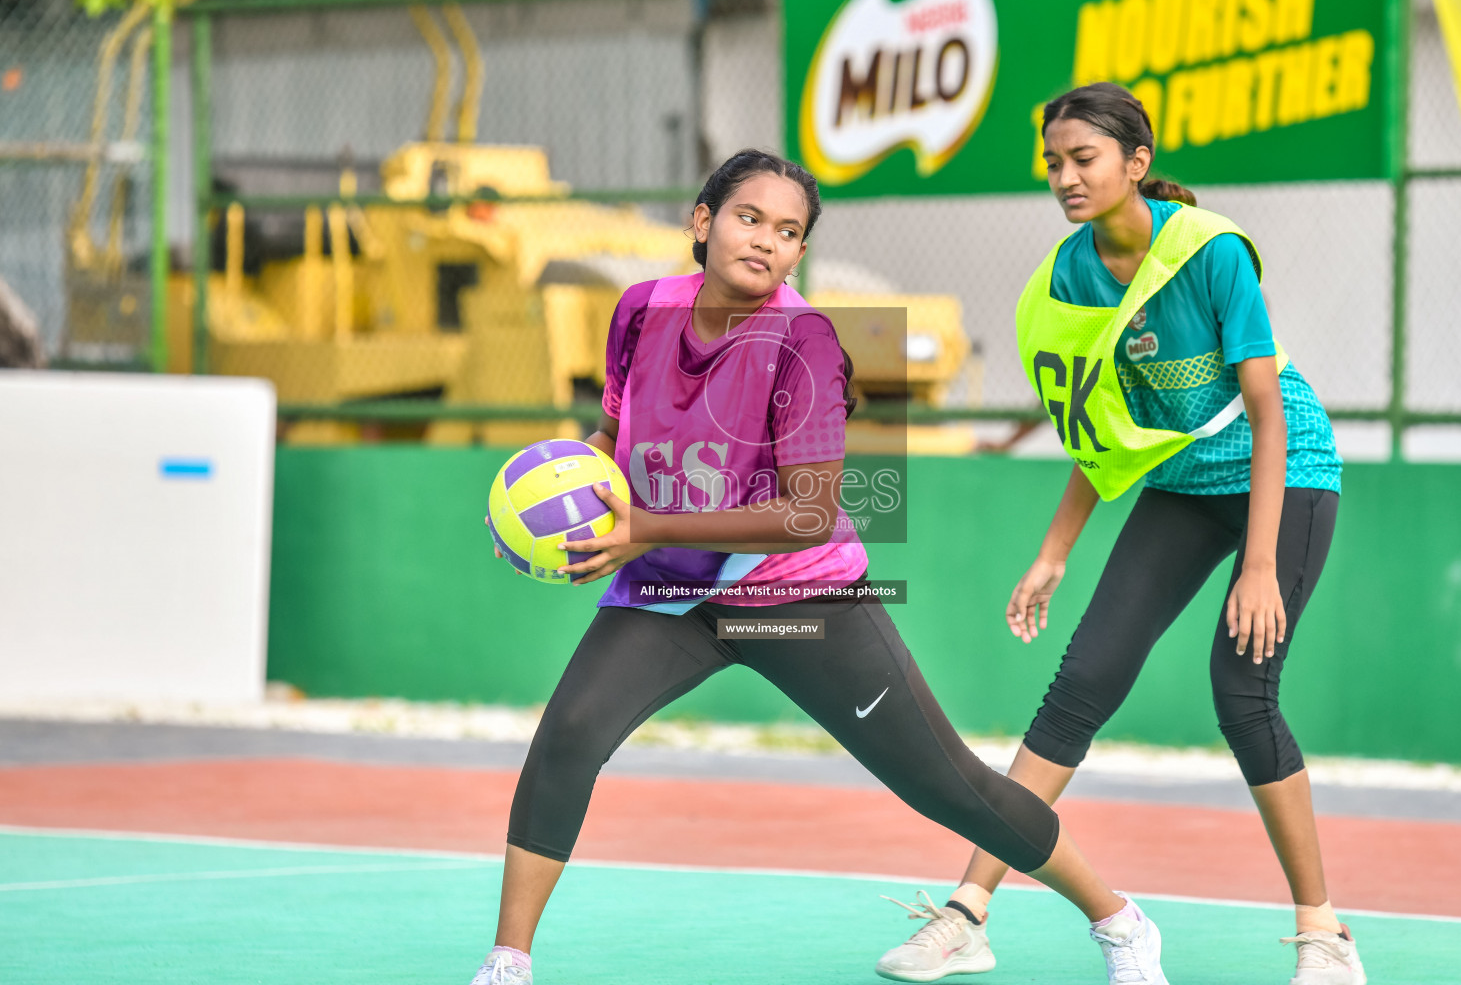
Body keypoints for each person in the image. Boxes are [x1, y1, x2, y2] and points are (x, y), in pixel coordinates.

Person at [469, 148, 1171, 985]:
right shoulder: (639, 310)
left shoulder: (804, 344)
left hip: (798, 594)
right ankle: (508, 962)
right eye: (749, 218)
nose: (767, 240)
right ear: (702, 222)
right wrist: (568, 504)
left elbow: (804, 513)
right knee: (568, 736)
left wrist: (640, 529)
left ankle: (1119, 921)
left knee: (947, 786)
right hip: (669, 586)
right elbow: (614, 434)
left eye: (789, 231)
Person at [873, 84, 1362, 985]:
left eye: (1083, 159)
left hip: (1283, 476)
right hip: (1178, 485)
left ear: (1136, 163)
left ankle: (1326, 934)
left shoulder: (1211, 254)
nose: (1064, 177)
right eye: (1054, 163)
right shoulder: (1069, 275)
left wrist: (1259, 565)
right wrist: (1054, 551)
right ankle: (968, 912)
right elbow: (1096, 429)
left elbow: (1264, 407)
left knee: (1241, 692)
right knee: (1080, 684)